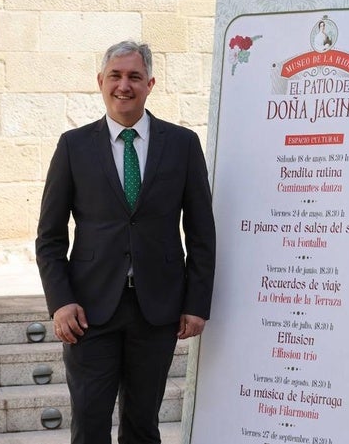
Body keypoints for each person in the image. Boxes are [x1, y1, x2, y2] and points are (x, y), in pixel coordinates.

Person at [35, 40, 216, 444]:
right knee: (90, 421)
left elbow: (202, 232)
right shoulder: (73, 146)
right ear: (100, 81)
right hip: (88, 310)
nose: (124, 85)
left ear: (150, 83)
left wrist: (196, 302)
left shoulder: (183, 145)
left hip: (157, 308)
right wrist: (60, 301)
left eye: (134, 76)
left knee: (142, 424)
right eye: (115, 76)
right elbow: (49, 237)